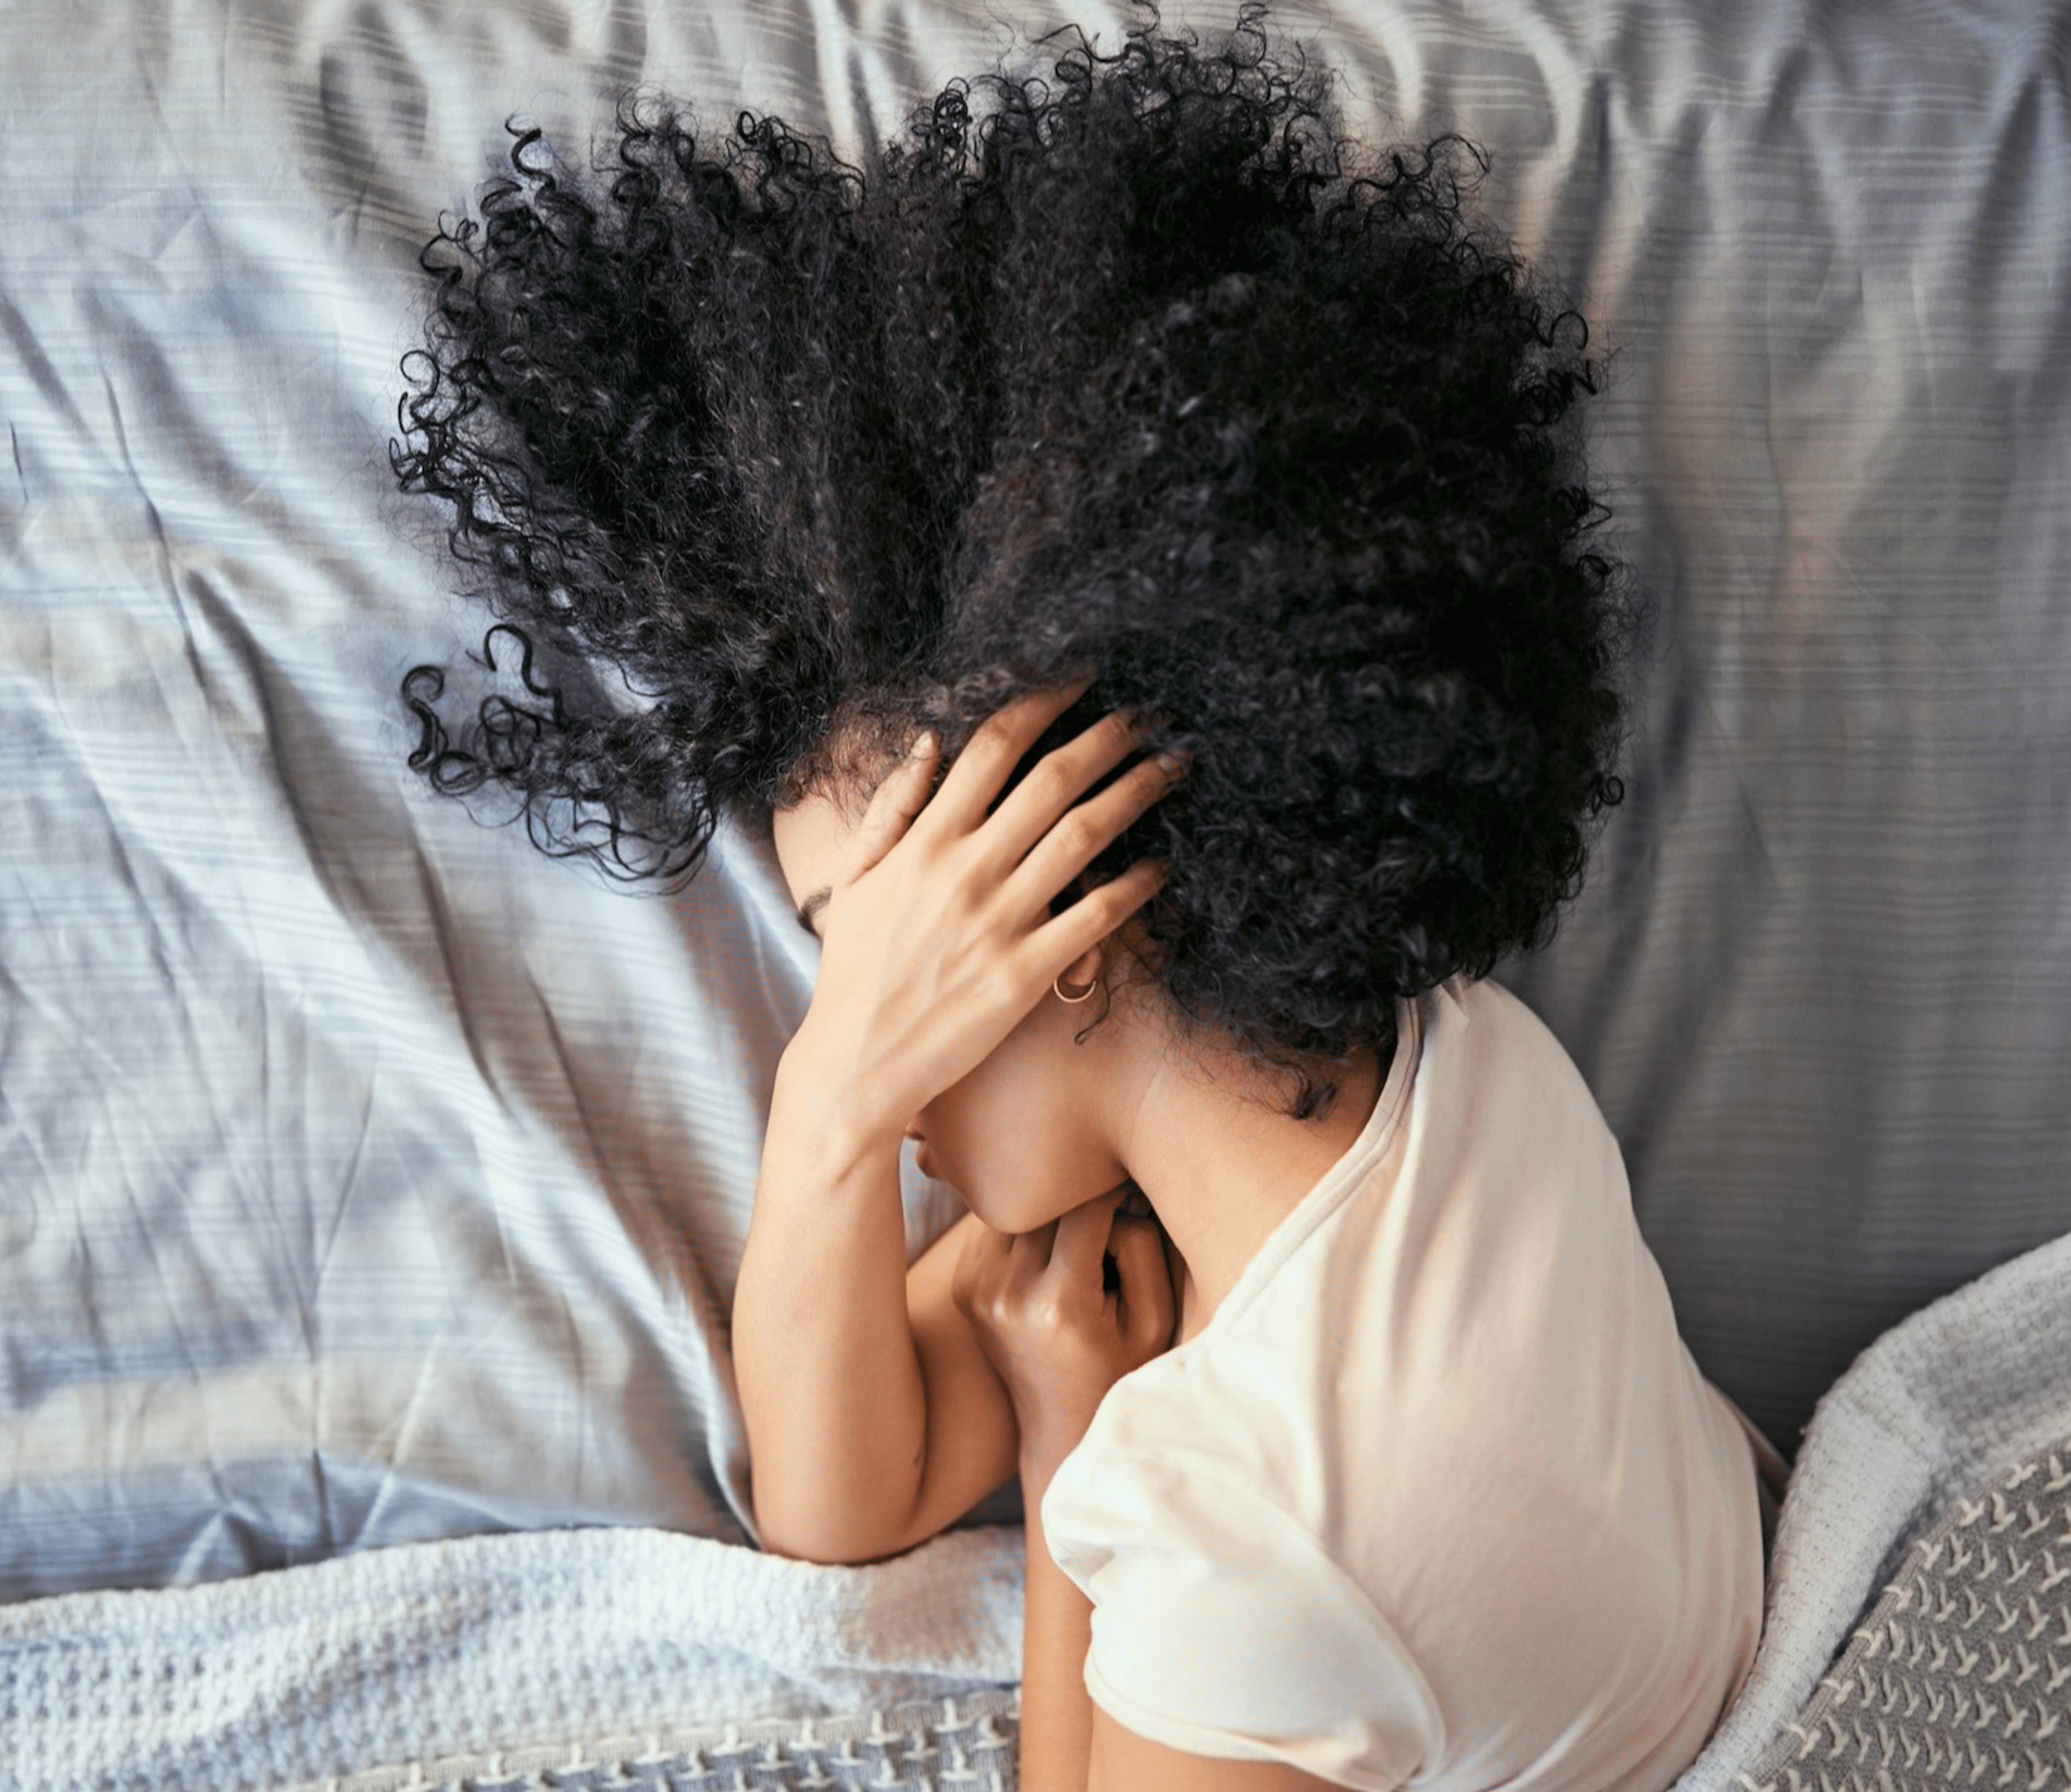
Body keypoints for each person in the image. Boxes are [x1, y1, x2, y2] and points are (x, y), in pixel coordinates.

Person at [393, 12, 1771, 1789]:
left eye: (849, 944)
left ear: (1046, 938)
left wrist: (1072, 1464)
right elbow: (844, 1502)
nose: (858, 1044)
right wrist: (825, 1132)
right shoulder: (1445, 1077)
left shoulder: (1247, 1529)